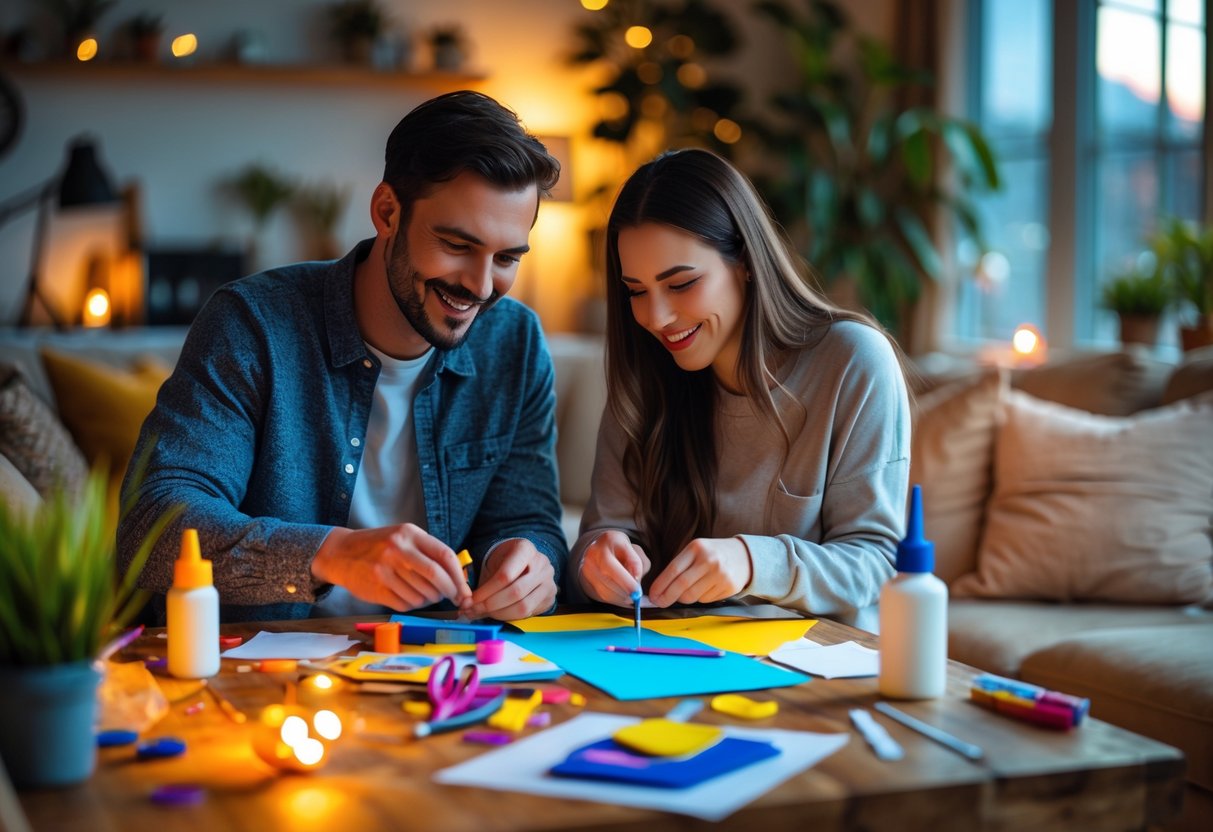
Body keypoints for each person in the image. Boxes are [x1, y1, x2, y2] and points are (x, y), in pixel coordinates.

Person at [119, 91, 567, 623]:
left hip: (434, 671)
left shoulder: (514, 343)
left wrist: (528, 563)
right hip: (262, 674)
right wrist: (330, 553)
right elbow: (153, 525)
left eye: (507, 258)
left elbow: (532, 521)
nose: (480, 284)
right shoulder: (252, 323)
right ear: (386, 212)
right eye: (456, 245)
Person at [570, 148, 910, 629]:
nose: (656, 318)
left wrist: (753, 562)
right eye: (637, 291)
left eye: (682, 283)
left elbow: (877, 563)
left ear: (746, 262)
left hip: (819, 668)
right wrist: (594, 562)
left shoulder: (853, 361)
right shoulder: (646, 374)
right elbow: (601, 533)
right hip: (679, 654)